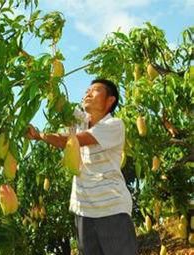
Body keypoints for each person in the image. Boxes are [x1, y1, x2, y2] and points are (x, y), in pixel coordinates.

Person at [25, 79, 137, 255]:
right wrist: (42, 76)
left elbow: (70, 141)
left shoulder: (114, 125)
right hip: (83, 211)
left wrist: (39, 135)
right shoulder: (80, 121)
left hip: (112, 210)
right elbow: (60, 102)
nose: (88, 93)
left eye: (96, 90)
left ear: (110, 101)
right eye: (87, 90)